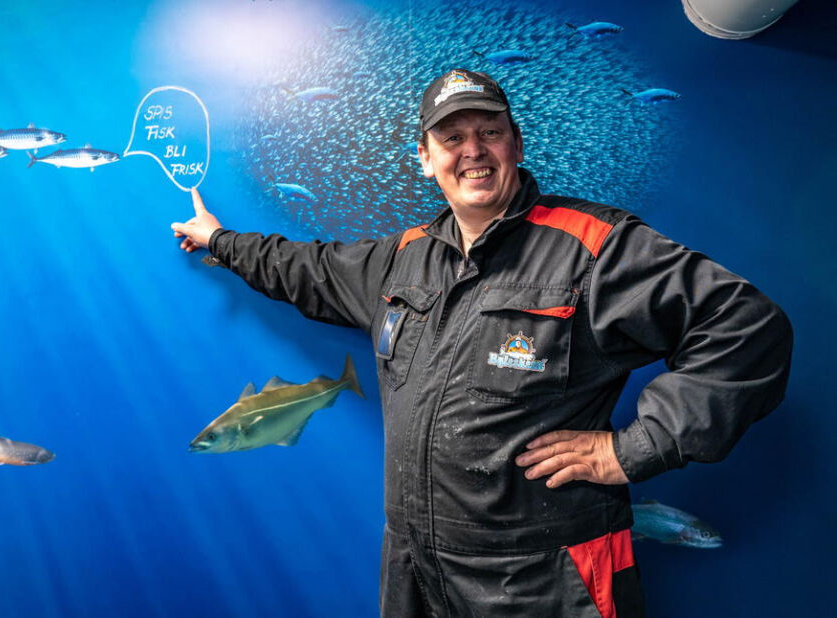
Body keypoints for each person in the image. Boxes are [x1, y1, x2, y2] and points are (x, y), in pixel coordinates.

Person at [171, 69, 792, 617]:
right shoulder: (403, 258)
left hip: (546, 577)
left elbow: (745, 326)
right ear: (425, 157)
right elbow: (307, 268)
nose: (473, 151)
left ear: (515, 145)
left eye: (489, 133)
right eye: (451, 138)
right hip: (416, 565)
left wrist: (637, 448)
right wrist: (220, 242)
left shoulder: (594, 246)